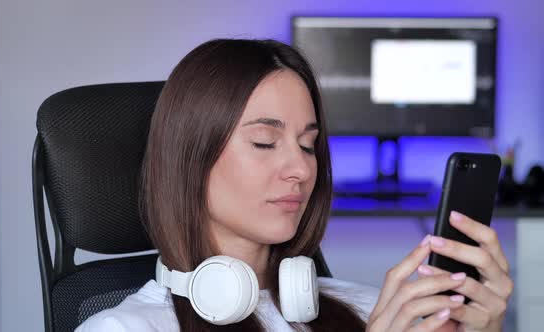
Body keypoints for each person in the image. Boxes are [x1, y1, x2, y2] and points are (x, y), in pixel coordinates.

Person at [75, 39, 513, 332]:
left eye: (308, 145)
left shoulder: (370, 310)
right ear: (189, 158)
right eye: (265, 142)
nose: (301, 169)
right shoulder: (121, 329)